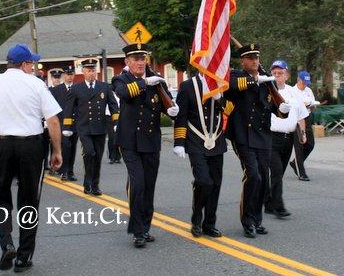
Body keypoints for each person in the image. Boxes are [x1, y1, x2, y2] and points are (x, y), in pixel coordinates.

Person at [0, 43, 62, 272]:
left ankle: (6, 243)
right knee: (28, 200)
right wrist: (57, 151)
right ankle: (23, 257)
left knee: (0, 197)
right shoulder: (36, 84)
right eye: (32, 63)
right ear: (24, 64)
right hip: (30, 146)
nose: (33, 67)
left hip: (0, 145)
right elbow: (52, 121)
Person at [112, 43, 179, 248]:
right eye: (135, 59)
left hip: (151, 141)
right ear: (127, 62)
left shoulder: (157, 83)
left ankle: (145, 227)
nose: (140, 62)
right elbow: (123, 93)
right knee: (138, 184)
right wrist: (144, 82)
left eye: (143, 59)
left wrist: (173, 110)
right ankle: (137, 231)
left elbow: (167, 105)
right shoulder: (120, 79)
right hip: (129, 142)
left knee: (149, 186)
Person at [224, 43, 285, 238]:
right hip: (242, 134)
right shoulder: (236, 76)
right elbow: (233, 86)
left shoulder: (267, 81)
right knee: (254, 176)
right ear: (242, 61)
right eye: (250, 58)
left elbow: (274, 107)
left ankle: (257, 220)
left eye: (257, 58)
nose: (254, 61)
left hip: (263, 135)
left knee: (263, 179)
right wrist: (258, 79)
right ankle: (247, 221)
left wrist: (283, 111)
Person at [174, 74, 229, 238]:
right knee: (204, 181)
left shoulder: (222, 84)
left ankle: (209, 223)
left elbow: (231, 109)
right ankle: (197, 218)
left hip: (217, 141)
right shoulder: (187, 86)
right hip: (196, 141)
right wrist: (179, 142)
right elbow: (181, 115)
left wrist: (220, 99)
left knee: (216, 183)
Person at [63, 59, 119, 195]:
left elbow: (113, 105)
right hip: (84, 127)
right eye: (88, 71)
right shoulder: (76, 88)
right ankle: (87, 181)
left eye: (93, 70)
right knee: (89, 153)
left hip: (100, 127)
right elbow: (69, 108)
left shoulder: (104, 87)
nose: (91, 73)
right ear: (83, 72)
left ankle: (95, 185)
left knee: (98, 157)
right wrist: (67, 126)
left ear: (96, 71)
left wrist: (116, 122)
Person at [263, 60, 308, 218]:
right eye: (274, 73)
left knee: (279, 172)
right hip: (270, 137)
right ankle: (279, 207)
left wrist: (302, 133)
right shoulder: (266, 91)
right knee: (275, 171)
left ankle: (268, 202)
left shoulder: (294, 93)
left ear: (287, 75)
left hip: (288, 138)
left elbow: (301, 116)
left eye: (280, 73)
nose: (277, 76)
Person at [289, 71, 319, 181]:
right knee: (300, 144)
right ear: (299, 80)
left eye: (307, 82)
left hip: (307, 117)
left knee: (310, 144)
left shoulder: (308, 91)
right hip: (297, 119)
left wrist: (313, 106)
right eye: (304, 82)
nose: (305, 84)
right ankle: (301, 173)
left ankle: (295, 162)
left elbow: (311, 105)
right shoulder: (292, 91)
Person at [50, 65, 78, 181]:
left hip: (75, 123)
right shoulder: (57, 90)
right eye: (67, 74)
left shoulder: (78, 88)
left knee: (73, 148)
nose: (69, 76)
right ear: (63, 75)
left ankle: (70, 171)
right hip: (61, 123)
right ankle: (64, 171)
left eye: (71, 74)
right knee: (65, 146)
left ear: (74, 75)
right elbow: (52, 107)